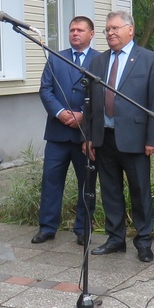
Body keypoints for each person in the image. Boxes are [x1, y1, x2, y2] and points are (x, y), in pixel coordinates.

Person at [82, 10, 154, 263]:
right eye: (107, 29)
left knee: (140, 191)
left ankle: (143, 240)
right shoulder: (97, 61)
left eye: (115, 28)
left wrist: (153, 138)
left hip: (136, 138)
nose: (110, 33)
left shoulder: (149, 59)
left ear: (131, 30)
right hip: (104, 137)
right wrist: (88, 137)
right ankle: (115, 238)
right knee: (110, 190)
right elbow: (90, 103)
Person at [32, 15, 97, 247]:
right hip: (57, 133)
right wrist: (60, 113)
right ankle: (48, 227)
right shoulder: (56, 57)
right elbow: (45, 89)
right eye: (71, 30)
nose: (75, 34)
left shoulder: (100, 60)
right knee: (51, 180)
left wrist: (82, 113)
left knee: (86, 182)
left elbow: (101, 94)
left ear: (91, 34)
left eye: (80, 30)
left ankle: (83, 228)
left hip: (84, 135)